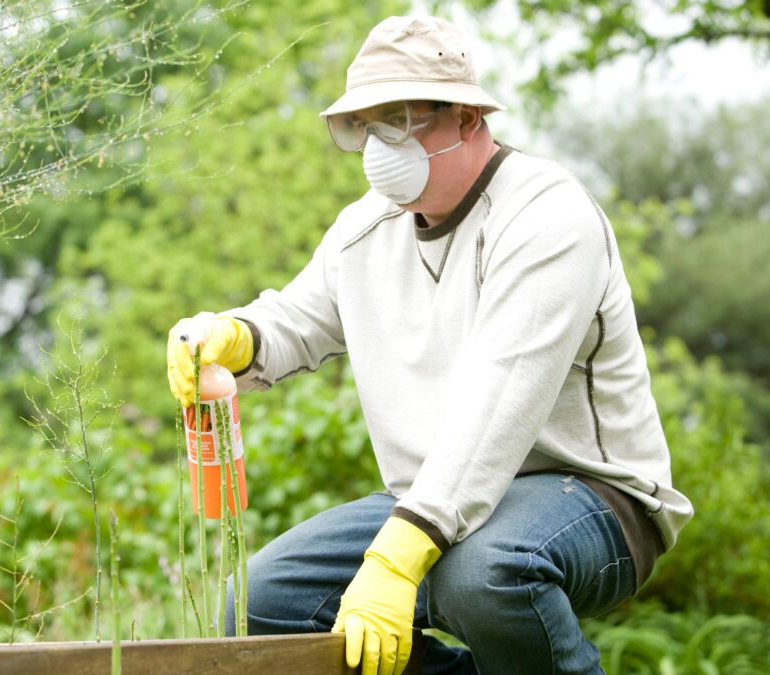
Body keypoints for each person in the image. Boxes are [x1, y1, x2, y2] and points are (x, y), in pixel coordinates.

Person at [165, 15, 692, 675]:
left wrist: (396, 555)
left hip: (590, 491)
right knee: (260, 608)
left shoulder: (546, 216)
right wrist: (231, 337)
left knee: (480, 573)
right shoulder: (365, 228)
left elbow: (500, 404)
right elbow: (299, 317)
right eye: (366, 123)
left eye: (402, 119)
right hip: (433, 497)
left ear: (468, 116)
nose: (379, 144)